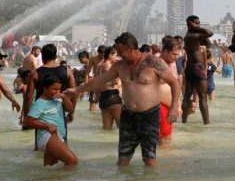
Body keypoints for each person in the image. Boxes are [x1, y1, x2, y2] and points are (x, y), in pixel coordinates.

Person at [66, 32, 180, 167]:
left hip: (149, 115)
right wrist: (77, 90)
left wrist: (174, 107)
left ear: (131, 49)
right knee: (122, 160)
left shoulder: (153, 62)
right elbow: (98, 81)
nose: (118, 55)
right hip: (128, 115)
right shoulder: (120, 66)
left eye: (121, 51)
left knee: (149, 160)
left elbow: (174, 83)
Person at [23, 76, 78, 167]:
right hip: (47, 136)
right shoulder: (40, 103)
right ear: (45, 88)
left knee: (50, 167)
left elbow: (70, 109)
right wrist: (47, 126)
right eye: (54, 89)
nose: (57, 92)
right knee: (72, 161)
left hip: (58, 135)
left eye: (59, 89)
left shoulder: (58, 99)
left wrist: (64, 98)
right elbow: (27, 122)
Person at [182, 15, 213, 124]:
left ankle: (184, 122)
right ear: (189, 23)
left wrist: (195, 27)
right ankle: (207, 123)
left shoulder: (189, 36)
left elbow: (208, 43)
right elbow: (209, 33)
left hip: (190, 67)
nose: (198, 25)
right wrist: (196, 28)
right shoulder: (192, 35)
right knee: (202, 97)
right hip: (197, 67)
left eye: (199, 23)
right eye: (196, 23)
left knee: (187, 96)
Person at [159, 35, 181, 147]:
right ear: (166, 51)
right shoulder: (157, 63)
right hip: (159, 106)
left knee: (165, 138)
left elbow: (175, 85)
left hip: (170, 107)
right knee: (165, 139)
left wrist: (178, 105)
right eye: (174, 54)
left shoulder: (172, 63)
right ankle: (165, 163)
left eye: (178, 55)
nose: (176, 57)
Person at [98, 46, 123, 130]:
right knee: (123, 129)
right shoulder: (110, 66)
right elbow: (115, 81)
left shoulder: (99, 66)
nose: (117, 57)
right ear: (110, 55)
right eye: (115, 55)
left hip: (103, 98)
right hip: (113, 97)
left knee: (106, 129)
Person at [84, 45, 106, 112]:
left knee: (105, 105)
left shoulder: (107, 59)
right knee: (92, 103)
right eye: (101, 54)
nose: (102, 56)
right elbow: (87, 72)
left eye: (103, 54)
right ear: (98, 53)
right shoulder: (93, 59)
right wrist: (86, 83)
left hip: (105, 83)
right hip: (95, 82)